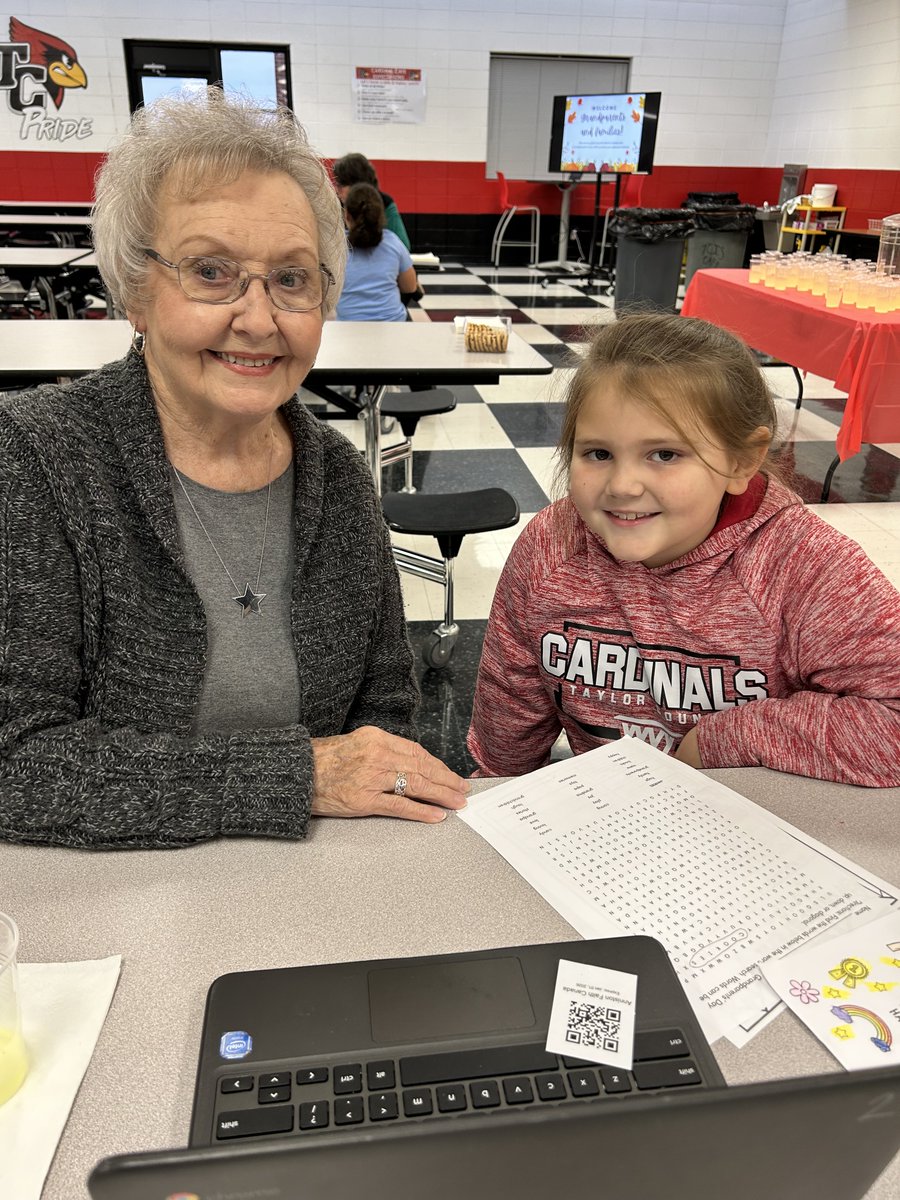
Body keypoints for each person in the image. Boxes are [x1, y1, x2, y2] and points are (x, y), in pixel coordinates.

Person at [0, 89, 468, 850]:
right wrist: (299, 778)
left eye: (292, 279)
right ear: (135, 291)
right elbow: (16, 761)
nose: (258, 319)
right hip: (105, 905)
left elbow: (385, 710)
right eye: (211, 272)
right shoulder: (38, 460)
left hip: (306, 893)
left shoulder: (339, 477)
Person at [468, 312, 900, 787]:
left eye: (665, 454)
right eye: (598, 453)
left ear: (742, 460)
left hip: (754, 826)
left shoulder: (804, 567)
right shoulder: (550, 549)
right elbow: (509, 718)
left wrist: (720, 741)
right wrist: (495, 791)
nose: (623, 485)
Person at [336, 183, 420, 322]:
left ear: (347, 216)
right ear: (380, 214)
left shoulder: (336, 246)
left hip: (348, 326)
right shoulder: (393, 241)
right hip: (393, 325)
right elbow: (410, 287)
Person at [332, 152, 411, 251]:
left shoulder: (385, 203)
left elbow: (403, 246)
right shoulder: (337, 204)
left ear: (356, 185)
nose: (336, 190)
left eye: (340, 185)